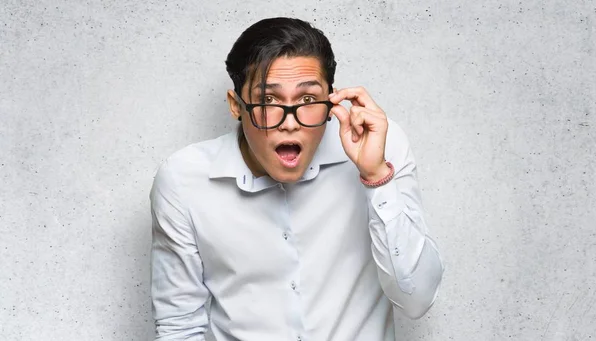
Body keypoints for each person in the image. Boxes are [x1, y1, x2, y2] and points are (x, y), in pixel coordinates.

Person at [150, 17, 444, 341]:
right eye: (268, 101)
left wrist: (376, 177)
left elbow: (417, 299)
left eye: (307, 100)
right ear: (236, 105)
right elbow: (179, 327)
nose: (289, 124)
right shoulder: (184, 181)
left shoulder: (381, 144)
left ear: (332, 101)